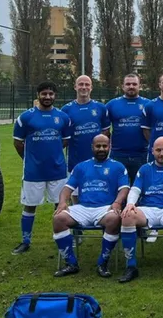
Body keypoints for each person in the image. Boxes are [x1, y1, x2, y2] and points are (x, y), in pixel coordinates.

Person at [51, 134, 129, 278]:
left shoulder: (118, 167)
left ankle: (102, 263)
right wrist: (62, 202)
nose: (101, 149)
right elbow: (67, 188)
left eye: (104, 146)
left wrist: (117, 203)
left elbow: (124, 189)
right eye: (98, 146)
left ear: (109, 147)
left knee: (114, 219)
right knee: (58, 218)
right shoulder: (81, 167)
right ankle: (71, 263)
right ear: (92, 147)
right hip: (83, 208)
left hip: (105, 208)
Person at [119, 137, 163, 283]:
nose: (161, 153)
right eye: (158, 150)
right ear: (152, 151)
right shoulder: (145, 169)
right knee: (127, 216)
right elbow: (135, 190)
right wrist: (130, 203)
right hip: (147, 209)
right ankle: (131, 267)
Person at [11, 81, 71, 254]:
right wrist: (28, 159)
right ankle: (25, 241)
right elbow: (18, 143)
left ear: (55, 96)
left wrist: (53, 154)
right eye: (44, 94)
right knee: (30, 205)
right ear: (38, 95)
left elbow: (65, 141)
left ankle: (61, 237)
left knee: (59, 205)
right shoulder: (26, 117)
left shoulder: (63, 117)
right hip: (33, 172)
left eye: (51, 94)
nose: (47, 97)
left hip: (57, 170)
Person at [107, 73, 151, 183]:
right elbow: (105, 130)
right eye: (128, 84)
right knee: (118, 189)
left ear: (139, 86)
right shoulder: (112, 105)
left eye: (134, 84)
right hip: (118, 155)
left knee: (140, 190)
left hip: (141, 155)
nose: (131, 86)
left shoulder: (148, 104)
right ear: (122, 86)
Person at [61, 75, 110, 175]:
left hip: (98, 161)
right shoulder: (66, 110)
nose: (84, 87)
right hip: (74, 163)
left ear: (91, 88)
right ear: (75, 87)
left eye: (87, 84)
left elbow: (106, 132)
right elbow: (63, 138)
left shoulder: (101, 108)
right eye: (81, 84)